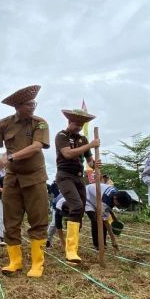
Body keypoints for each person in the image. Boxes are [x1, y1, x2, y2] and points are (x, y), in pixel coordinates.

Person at [0, 85, 50, 277]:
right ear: (18, 106)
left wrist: (9, 157)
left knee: (38, 220)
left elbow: (36, 147)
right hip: (12, 179)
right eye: (29, 104)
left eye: (33, 103)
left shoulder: (40, 123)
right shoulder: (4, 124)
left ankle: (37, 264)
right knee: (11, 220)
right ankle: (15, 262)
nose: (33, 107)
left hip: (35, 177)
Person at [54, 108, 100, 263]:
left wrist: (96, 164)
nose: (79, 127)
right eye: (77, 124)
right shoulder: (61, 136)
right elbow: (67, 154)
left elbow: (89, 162)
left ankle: (74, 246)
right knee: (77, 206)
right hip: (64, 176)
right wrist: (90, 145)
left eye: (81, 124)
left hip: (79, 178)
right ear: (69, 121)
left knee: (79, 210)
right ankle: (70, 250)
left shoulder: (83, 139)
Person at [84, 182, 131, 248]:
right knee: (96, 221)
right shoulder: (107, 199)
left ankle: (103, 243)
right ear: (115, 198)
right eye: (119, 205)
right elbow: (105, 220)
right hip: (87, 197)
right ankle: (97, 244)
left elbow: (109, 207)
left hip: (97, 197)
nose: (118, 207)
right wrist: (113, 240)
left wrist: (114, 218)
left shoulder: (116, 193)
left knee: (102, 221)